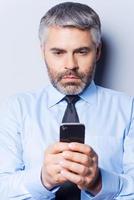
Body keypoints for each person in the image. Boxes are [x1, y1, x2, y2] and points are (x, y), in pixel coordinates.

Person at [0, 1, 134, 200]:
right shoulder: (16, 108)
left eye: (82, 51)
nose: (70, 65)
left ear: (97, 51)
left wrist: (99, 182)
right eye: (58, 52)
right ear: (43, 51)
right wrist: (43, 180)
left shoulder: (127, 108)